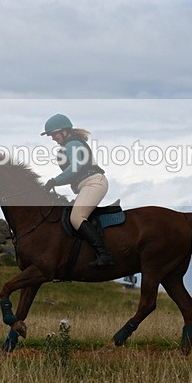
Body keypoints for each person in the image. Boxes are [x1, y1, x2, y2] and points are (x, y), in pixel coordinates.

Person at [41, 113, 115, 267]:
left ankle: (105, 255)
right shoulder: (69, 145)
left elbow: (75, 168)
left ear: (64, 131)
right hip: (87, 185)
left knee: (76, 218)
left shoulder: (72, 144)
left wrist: (53, 182)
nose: (53, 138)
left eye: (54, 134)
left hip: (93, 183)